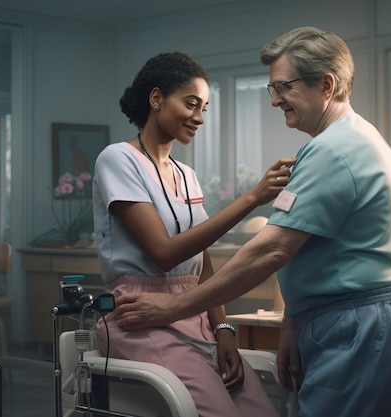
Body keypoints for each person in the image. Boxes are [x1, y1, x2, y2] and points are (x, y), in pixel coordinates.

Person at [115, 27, 391, 417]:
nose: (275, 99)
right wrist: (294, 319)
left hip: (359, 325)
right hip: (359, 320)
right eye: (271, 89)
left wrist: (172, 308)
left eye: (283, 87)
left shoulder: (333, 151)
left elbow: (274, 247)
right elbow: (312, 247)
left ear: (326, 85)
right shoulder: (348, 140)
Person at [91, 52, 294, 417]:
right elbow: (164, 253)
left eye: (205, 108)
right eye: (190, 104)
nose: (199, 117)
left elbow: (200, 263)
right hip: (141, 317)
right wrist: (252, 198)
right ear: (156, 99)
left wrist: (223, 328)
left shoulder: (186, 174)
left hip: (197, 315)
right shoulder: (117, 159)